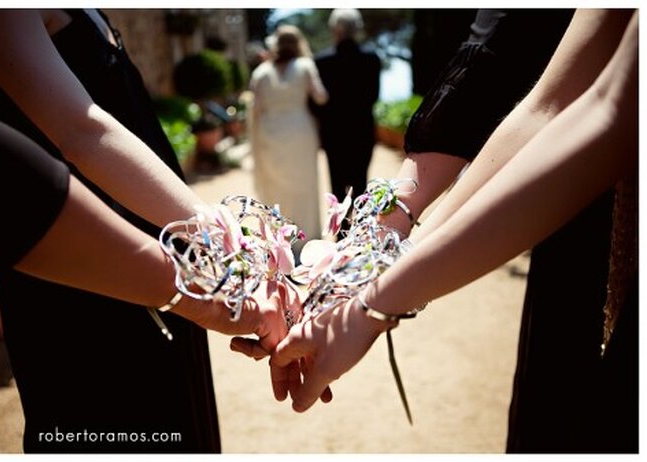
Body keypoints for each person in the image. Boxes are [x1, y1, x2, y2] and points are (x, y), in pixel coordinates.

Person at [258, 9, 638, 453]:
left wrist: (373, 302)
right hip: (555, 186)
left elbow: (607, 113)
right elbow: (546, 107)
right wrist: (367, 267)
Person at [0, 9, 258, 452]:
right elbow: (81, 130)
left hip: (168, 252)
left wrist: (218, 247)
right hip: (89, 268)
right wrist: (223, 252)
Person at [249, 24, 328, 254]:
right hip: (300, 131)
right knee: (304, 186)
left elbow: (255, 108)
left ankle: (279, 242)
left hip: (269, 133)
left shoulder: (261, 72)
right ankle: (306, 242)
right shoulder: (305, 65)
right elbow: (321, 97)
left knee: (275, 188)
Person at [312, 9, 381, 204]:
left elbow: (316, 103)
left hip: (333, 133)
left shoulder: (321, 61)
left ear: (334, 29)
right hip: (362, 129)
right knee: (360, 184)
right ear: (357, 29)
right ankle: (360, 232)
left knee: (336, 187)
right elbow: (374, 96)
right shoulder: (371, 59)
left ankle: (341, 233)